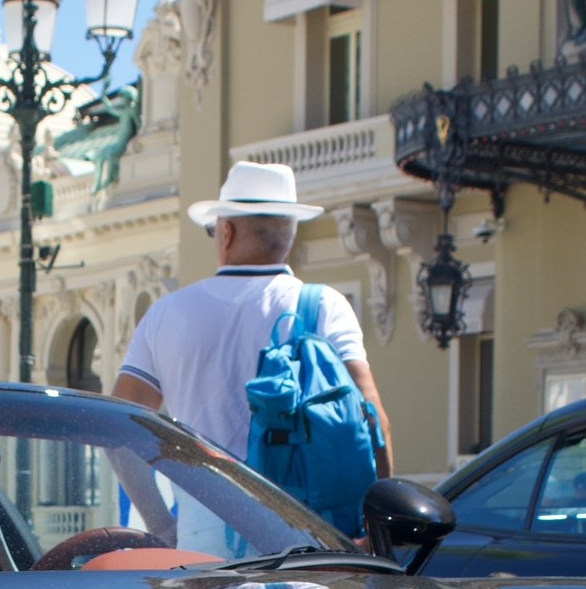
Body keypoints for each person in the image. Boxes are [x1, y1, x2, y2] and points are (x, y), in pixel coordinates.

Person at [114, 160, 393, 483]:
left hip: (200, 523)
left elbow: (121, 431)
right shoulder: (324, 307)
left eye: (212, 230)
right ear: (289, 237)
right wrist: (380, 527)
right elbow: (374, 422)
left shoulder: (166, 313)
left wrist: (160, 520)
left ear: (227, 233)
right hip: (303, 523)